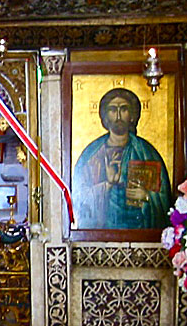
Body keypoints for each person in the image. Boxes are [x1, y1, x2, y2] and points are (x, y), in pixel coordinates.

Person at [73, 87, 171, 229]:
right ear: (106, 117)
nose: (118, 116)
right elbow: (79, 199)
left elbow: (164, 200)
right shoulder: (92, 155)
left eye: (124, 109)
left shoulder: (146, 153)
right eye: (113, 110)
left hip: (141, 235)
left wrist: (146, 196)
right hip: (101, 236)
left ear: (132, 116)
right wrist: (108, 185)